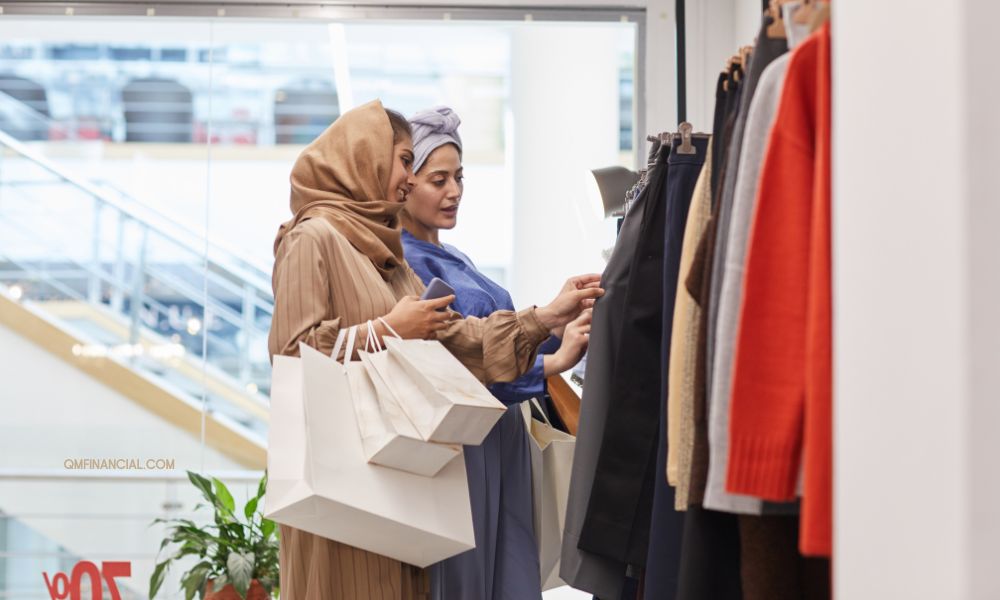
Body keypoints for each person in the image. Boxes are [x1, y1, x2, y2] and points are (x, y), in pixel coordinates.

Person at [267, 99, 603, 600]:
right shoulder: (313, 237)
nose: (407, 179)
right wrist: (386, 330)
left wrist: (544, 319)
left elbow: (454, 341)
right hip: (347, 484)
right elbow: (291, 353)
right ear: (366, 158)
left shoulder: (385, 254)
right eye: (405, 161)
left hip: (400, 480)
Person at [400, 106, 592, 600]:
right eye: (437, 179)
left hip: (497, 438)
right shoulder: (405, 265)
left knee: (506, 567)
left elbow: (496, 336)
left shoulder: (453, 256)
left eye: (459, 176)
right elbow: (454, 362)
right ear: (403, 183)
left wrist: (557, 323)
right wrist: (552, 356)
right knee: (472, 572)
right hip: (462, 444)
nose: (455, 191)